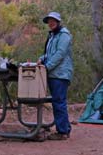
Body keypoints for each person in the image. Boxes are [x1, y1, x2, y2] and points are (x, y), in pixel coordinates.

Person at [37, 11, 73, 140]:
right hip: (54, 73)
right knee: (58, 101)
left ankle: (62, 132)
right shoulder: (53, 36)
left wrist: (47, 66)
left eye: (53, 21)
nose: (50, 23)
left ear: (58, 21)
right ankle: (65, 128)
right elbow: (50, 54)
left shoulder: (64, 35)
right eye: (49, 21)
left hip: (60, 74)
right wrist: (42, 59)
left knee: (58, 102)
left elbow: (60, 54)